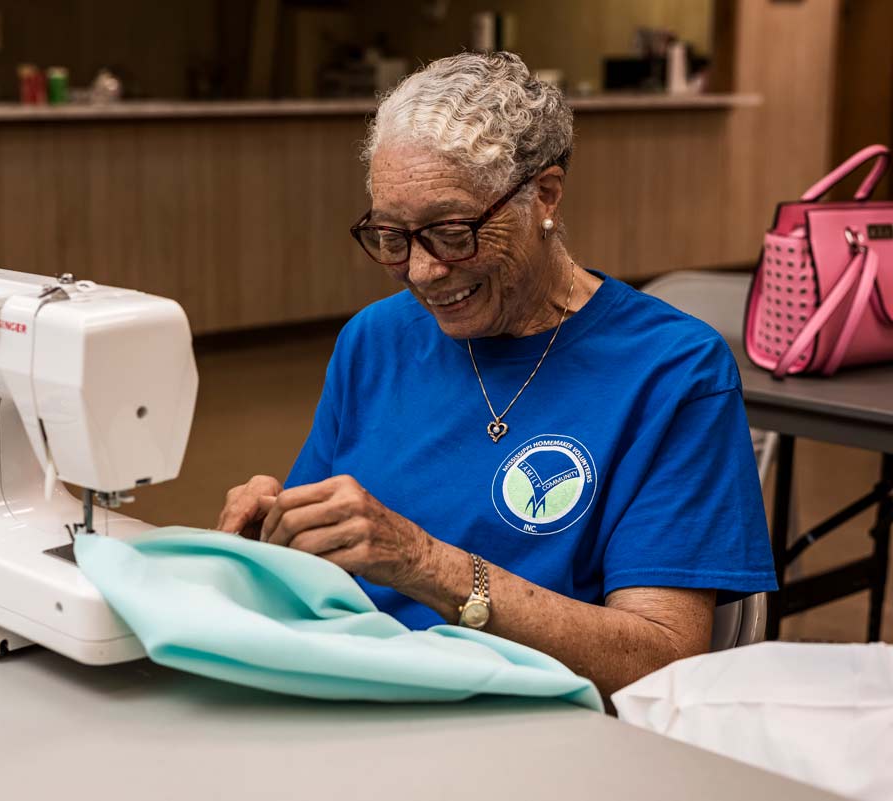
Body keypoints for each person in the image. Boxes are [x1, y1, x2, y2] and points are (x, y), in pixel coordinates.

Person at [216, 52, 775, 697]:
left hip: (540, 724)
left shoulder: (672, 372)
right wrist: (270, 537)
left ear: (545, 196)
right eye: (391, 238)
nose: (422, 273)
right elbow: (312, 571)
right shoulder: (375, 340)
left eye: (454, 233)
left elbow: (661, 661)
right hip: (362, 691)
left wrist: (425, 564)